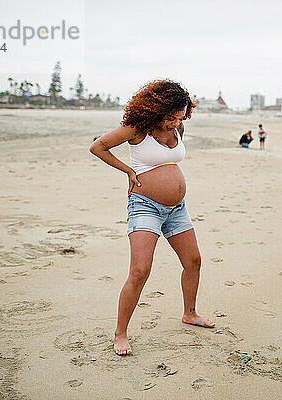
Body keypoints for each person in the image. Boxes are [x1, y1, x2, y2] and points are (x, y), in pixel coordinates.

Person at [89, 79, 214, 356]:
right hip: (145, 205)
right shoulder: (137, 129)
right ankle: (120, 333)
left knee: (193, 261)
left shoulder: (178, 126)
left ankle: (189, 313)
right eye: (170, 117)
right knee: (140, 270)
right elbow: (98, 147)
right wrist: (128, 171)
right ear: (157, 109)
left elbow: (170, 155)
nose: (175, 123)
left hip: (177, 209)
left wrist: (177, 124)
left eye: (181, 117)